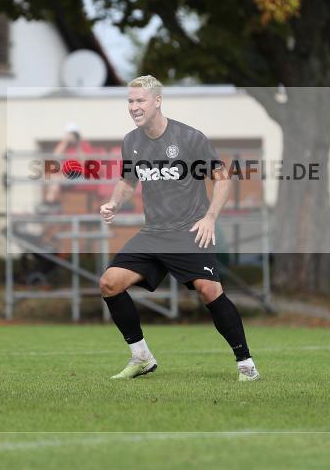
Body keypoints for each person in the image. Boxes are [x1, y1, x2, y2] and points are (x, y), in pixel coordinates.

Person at [99, 75, 259, 382]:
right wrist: (114, 203)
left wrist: (210, 217)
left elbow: (222, 178)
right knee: (109, 283)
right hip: (154, 232)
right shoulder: (131, 142)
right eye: (130, 101)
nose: (134, 107)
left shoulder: (189, 138)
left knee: (209, 291)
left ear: (157, 101)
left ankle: (246, 365)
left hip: (188, 231)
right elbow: (128, 182)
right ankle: (141, 358)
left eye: (140, 100)